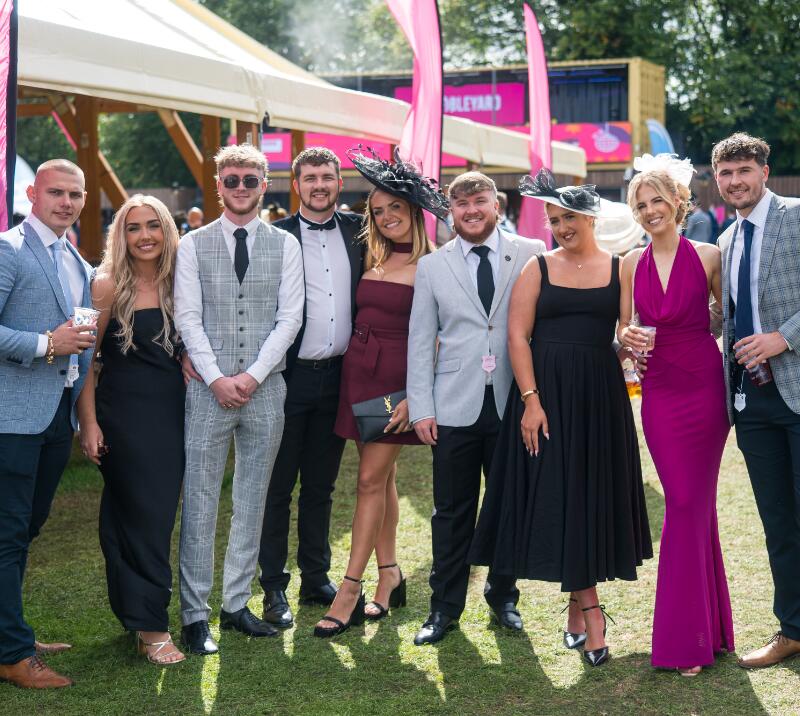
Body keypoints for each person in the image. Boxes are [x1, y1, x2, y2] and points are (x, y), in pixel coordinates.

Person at [469, 169, 652, 667]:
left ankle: (577, 610)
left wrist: (629, 344)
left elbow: (622, 333)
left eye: (569, 217)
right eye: (553, 219)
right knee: (563, 495)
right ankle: (592, 616)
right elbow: (516, 337)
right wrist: (530, 400)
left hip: (599, 398)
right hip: (546, 398)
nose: (561, 227)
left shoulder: (621, 268)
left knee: (589, 495)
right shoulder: (538, 267)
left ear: (590, 216)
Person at [175, 144, 304, 655]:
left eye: (251, 179)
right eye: (232, 180)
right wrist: (215, 378)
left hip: (267, 389)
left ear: (265, 184)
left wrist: (251, 376)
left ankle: (234, 604)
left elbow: (289, 318)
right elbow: (188, 317)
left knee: (253, 498)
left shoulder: (284, 245)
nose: (241, 188)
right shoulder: (194, 244)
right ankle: (194, 614)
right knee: (201, 499)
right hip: (207, 391)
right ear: (218, 184)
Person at [313, 148, 447, 637]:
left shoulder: (433, 266)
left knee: (369, 481)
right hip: (359, 372)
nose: (387, 217)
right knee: (382, 478)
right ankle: (390, 574)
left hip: (398, 381)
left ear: (414, 210)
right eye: (378, 210)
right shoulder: (372, 254)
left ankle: (350, 587)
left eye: (395, 208)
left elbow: (437, 337)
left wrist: (418, 396)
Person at [407, 171, 545, 646]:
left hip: (514, 401)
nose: (470, 210)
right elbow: (421, 341)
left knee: (509, 504)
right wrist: (422, 408)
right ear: (450, 210)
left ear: (496, 203)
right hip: (453, 405)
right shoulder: (433, 266)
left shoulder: (530, 252)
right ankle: (444, 607)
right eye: (460, 203)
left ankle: (503, 595)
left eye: (479, 200)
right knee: (451, 511)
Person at [620, 155, 733, 676]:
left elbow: (724, 318)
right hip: (660, 392)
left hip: (704, 387)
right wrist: (629, 341)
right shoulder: (628, 263)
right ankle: (706, 630)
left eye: (656, 201)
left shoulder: (709, 255)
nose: (649, 211)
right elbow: (625, 334)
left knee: (691, 505)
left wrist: (699, 325)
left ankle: (689, 641)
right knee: (688, 504)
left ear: (677, 202)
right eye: (641, 205)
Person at [76, 195, 186, 666]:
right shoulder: (102, 286)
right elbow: (84, 363)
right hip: (124, 417)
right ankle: (153, 627)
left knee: (133, 518)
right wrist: (89, 422)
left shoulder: (182, 282)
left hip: (174, 415)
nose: (145, 236)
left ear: (166, 231)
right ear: (120, 235)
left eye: (153, 226)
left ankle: (134, 613)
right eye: (134, 227)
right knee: (147, 518)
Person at [258, 147, 364, 628]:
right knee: (277, 486)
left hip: (339, 377)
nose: (319, 185)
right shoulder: (273, 237)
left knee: (321, 486)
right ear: (294, 185)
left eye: (327, 177)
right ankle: (273, 586)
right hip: (286, 377)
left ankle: (315, 576)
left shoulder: (359, 232)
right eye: (310, 177)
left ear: (339, 183)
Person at [0, 159, 95, 688]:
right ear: (33, 193)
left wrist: (84, 413)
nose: (66, 202)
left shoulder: (77, 261)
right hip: (11, 419)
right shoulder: (8, 248)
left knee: (25, 530)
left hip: (57, 417)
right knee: (9, 533)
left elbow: (79, 341)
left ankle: (7, 630)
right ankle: (13, 654)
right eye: (56, 192)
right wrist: (45, 345)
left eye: (74, 194)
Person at [713, 133, 800, 669]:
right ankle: (791, 627)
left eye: (744, 169)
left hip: (796, 390)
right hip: (750, 402)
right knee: (777, 522)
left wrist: (783, 338)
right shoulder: (725, 240)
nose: (735, 181)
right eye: (725, 174)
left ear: (764, 171)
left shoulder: (795, 216)